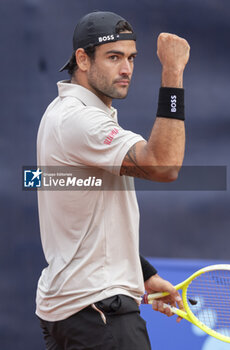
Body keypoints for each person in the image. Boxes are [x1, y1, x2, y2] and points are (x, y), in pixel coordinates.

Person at [36, 10, 190, 350]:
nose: (126, 69)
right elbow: (164, 166)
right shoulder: (79, 121)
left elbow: (92, 223)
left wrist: (143, 274)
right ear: (83, 59)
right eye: (114, 57)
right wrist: (173, 72)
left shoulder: (64, 114)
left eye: (131, 58)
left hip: (76, 311)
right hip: (98, 314)